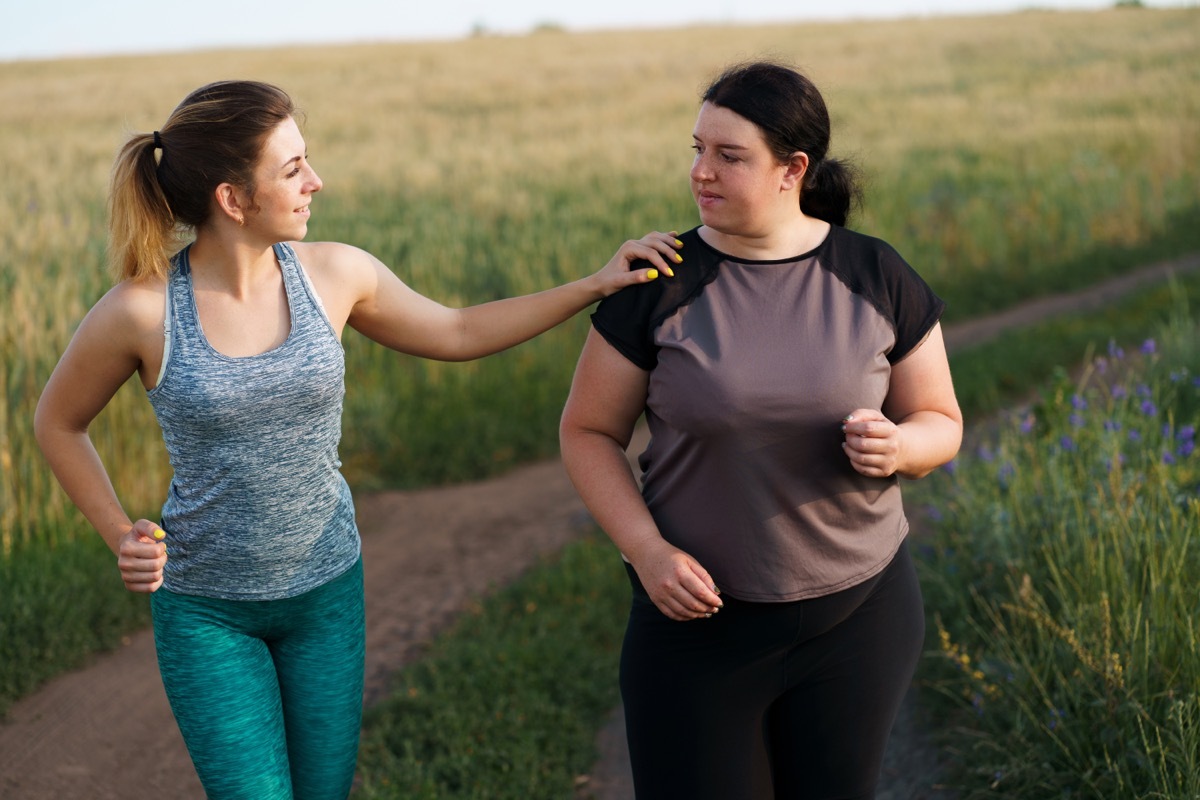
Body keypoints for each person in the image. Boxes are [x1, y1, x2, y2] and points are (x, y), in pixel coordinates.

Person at [33, 79, 682, 800]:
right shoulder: (141, 311)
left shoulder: (337, 275)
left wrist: (592, 286)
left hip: (326, 595)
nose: (316, 181)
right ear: (232, 199)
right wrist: (120, 533)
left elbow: (458, 330)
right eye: (292, 169)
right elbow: (58, 422)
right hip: (206, 611)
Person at [559, 61, 963, 800]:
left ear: (793, 169)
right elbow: (586, 432)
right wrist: (646, 551)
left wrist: (903, 447)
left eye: (729, 156)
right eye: (697, 150)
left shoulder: (877, 275)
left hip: (860, 620)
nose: (701, 172)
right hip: (696, 632)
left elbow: (941, 420)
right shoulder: (658, 283)